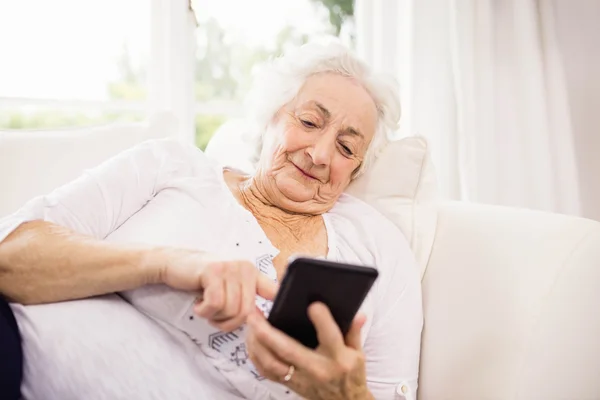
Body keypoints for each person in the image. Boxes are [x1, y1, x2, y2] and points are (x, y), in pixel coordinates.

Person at [0, 42, 423, 400]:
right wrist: (167, 264)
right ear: (271, 116)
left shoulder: (379, 249)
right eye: (309, 122)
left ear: (356, 171)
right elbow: (10, 257)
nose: (320, 154)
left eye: (347, 149)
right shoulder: (170, 166)